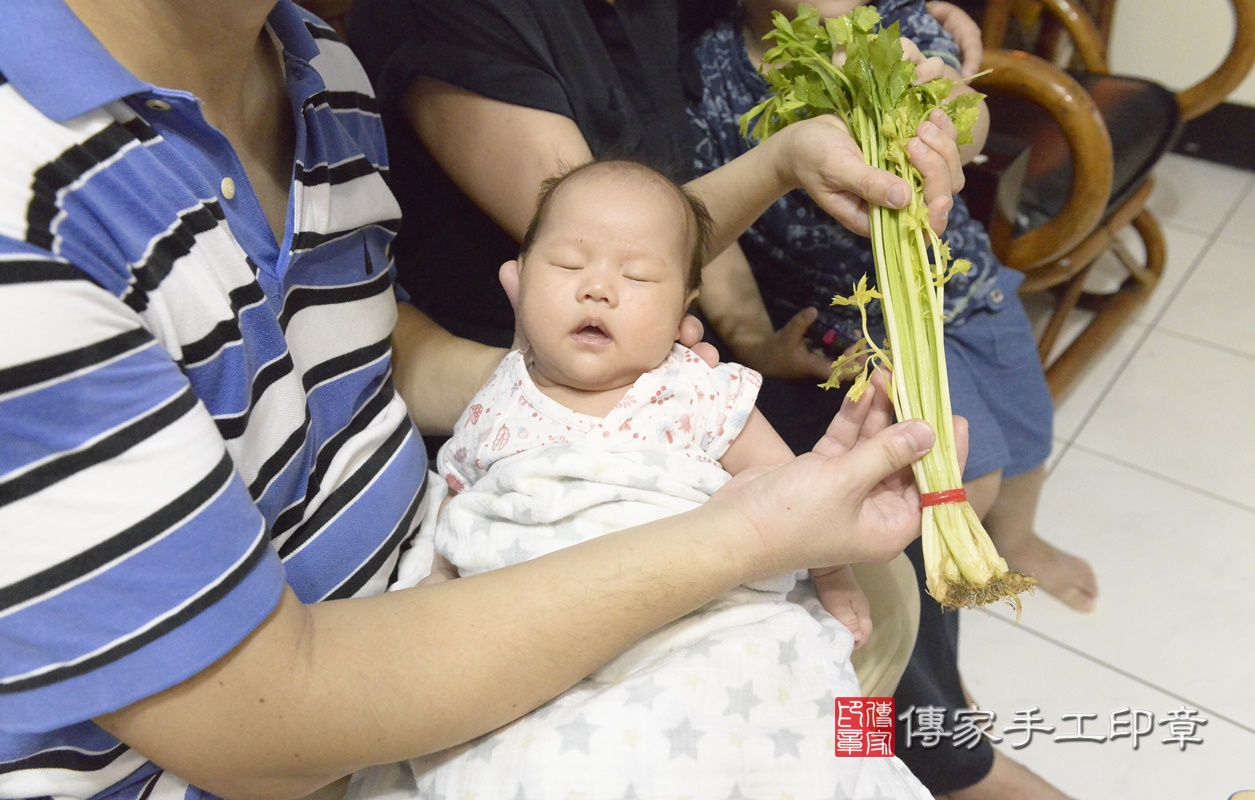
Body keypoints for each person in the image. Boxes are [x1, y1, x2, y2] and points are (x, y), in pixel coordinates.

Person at [0, 1, 959, 798]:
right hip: (294, 742)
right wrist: (750, 535)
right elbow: (258, 722)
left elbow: (356, 338)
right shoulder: (28, 206)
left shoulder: (311, 63)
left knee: (870, 623)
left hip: (442, 595)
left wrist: (580, 393)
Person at [347, 158, 929, 800]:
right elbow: (461, 509)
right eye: (568, 264)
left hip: (696, 623)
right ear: (518, 278)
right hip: (531, 641)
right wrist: (434, 584)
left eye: (637, 275)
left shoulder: (697, 389)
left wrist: (835, 578)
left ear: (684, 307)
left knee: (786, 714)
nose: (597, 289)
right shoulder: (494, 401)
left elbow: (798, 493)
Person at [687, 0, 1090, 796]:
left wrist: (949, 110)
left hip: (963, 278)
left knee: (1026, 416)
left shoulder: (902, 23)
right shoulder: (709, 68)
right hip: (865, 309)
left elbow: (969, 126)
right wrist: (750, 334)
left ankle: (1020, 537)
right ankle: (940, 648)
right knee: (960, 470)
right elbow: (715, 229)